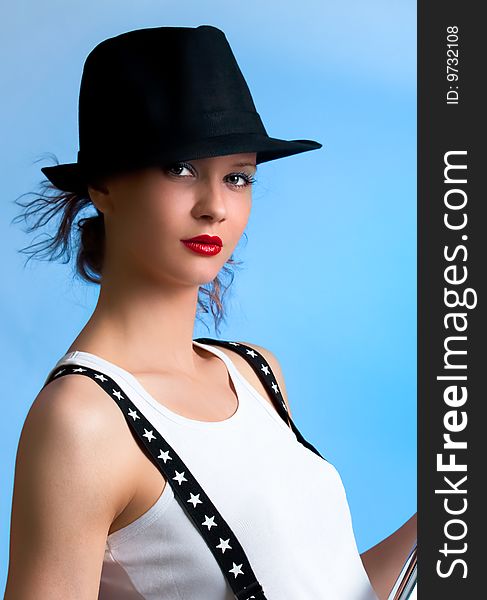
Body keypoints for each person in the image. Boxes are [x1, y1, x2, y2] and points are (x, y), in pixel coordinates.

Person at [5, 25, 416, 600]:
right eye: (180, 169)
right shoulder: (83, 419)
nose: (215, 206)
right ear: (102, 185)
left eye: (237, 177)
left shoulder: (256, 372)